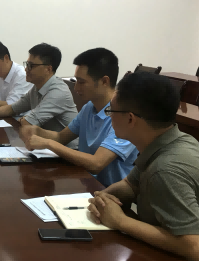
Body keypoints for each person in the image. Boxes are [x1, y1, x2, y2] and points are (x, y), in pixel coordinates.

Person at [87, 73, 199, 261]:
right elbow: (131, 184)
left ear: (130, 119)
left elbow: (194, 248)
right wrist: (105, 196)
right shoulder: (172, 140)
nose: (108, 116)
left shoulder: (166, 169)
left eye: (111, 111)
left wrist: (120, 221)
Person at [21, 48, 138, 186]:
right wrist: (37, 131)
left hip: (111, 192)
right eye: (76, 81)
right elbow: (61, 137)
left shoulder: (124, 116)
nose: (76, 88)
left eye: (81, 82)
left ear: (104, 81)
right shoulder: (89, 107)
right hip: (87, 183)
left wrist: (48, 143)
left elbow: (97, 163)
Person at [0, 43, 78, 147]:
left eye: (31, 66)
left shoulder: (57, 92)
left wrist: (23, 119)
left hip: (68, 151)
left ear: (48, 69)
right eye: (27, 64)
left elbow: (27, 123)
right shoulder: (37, 88)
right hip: (48, 146)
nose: (26, 69)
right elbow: (11, 108)